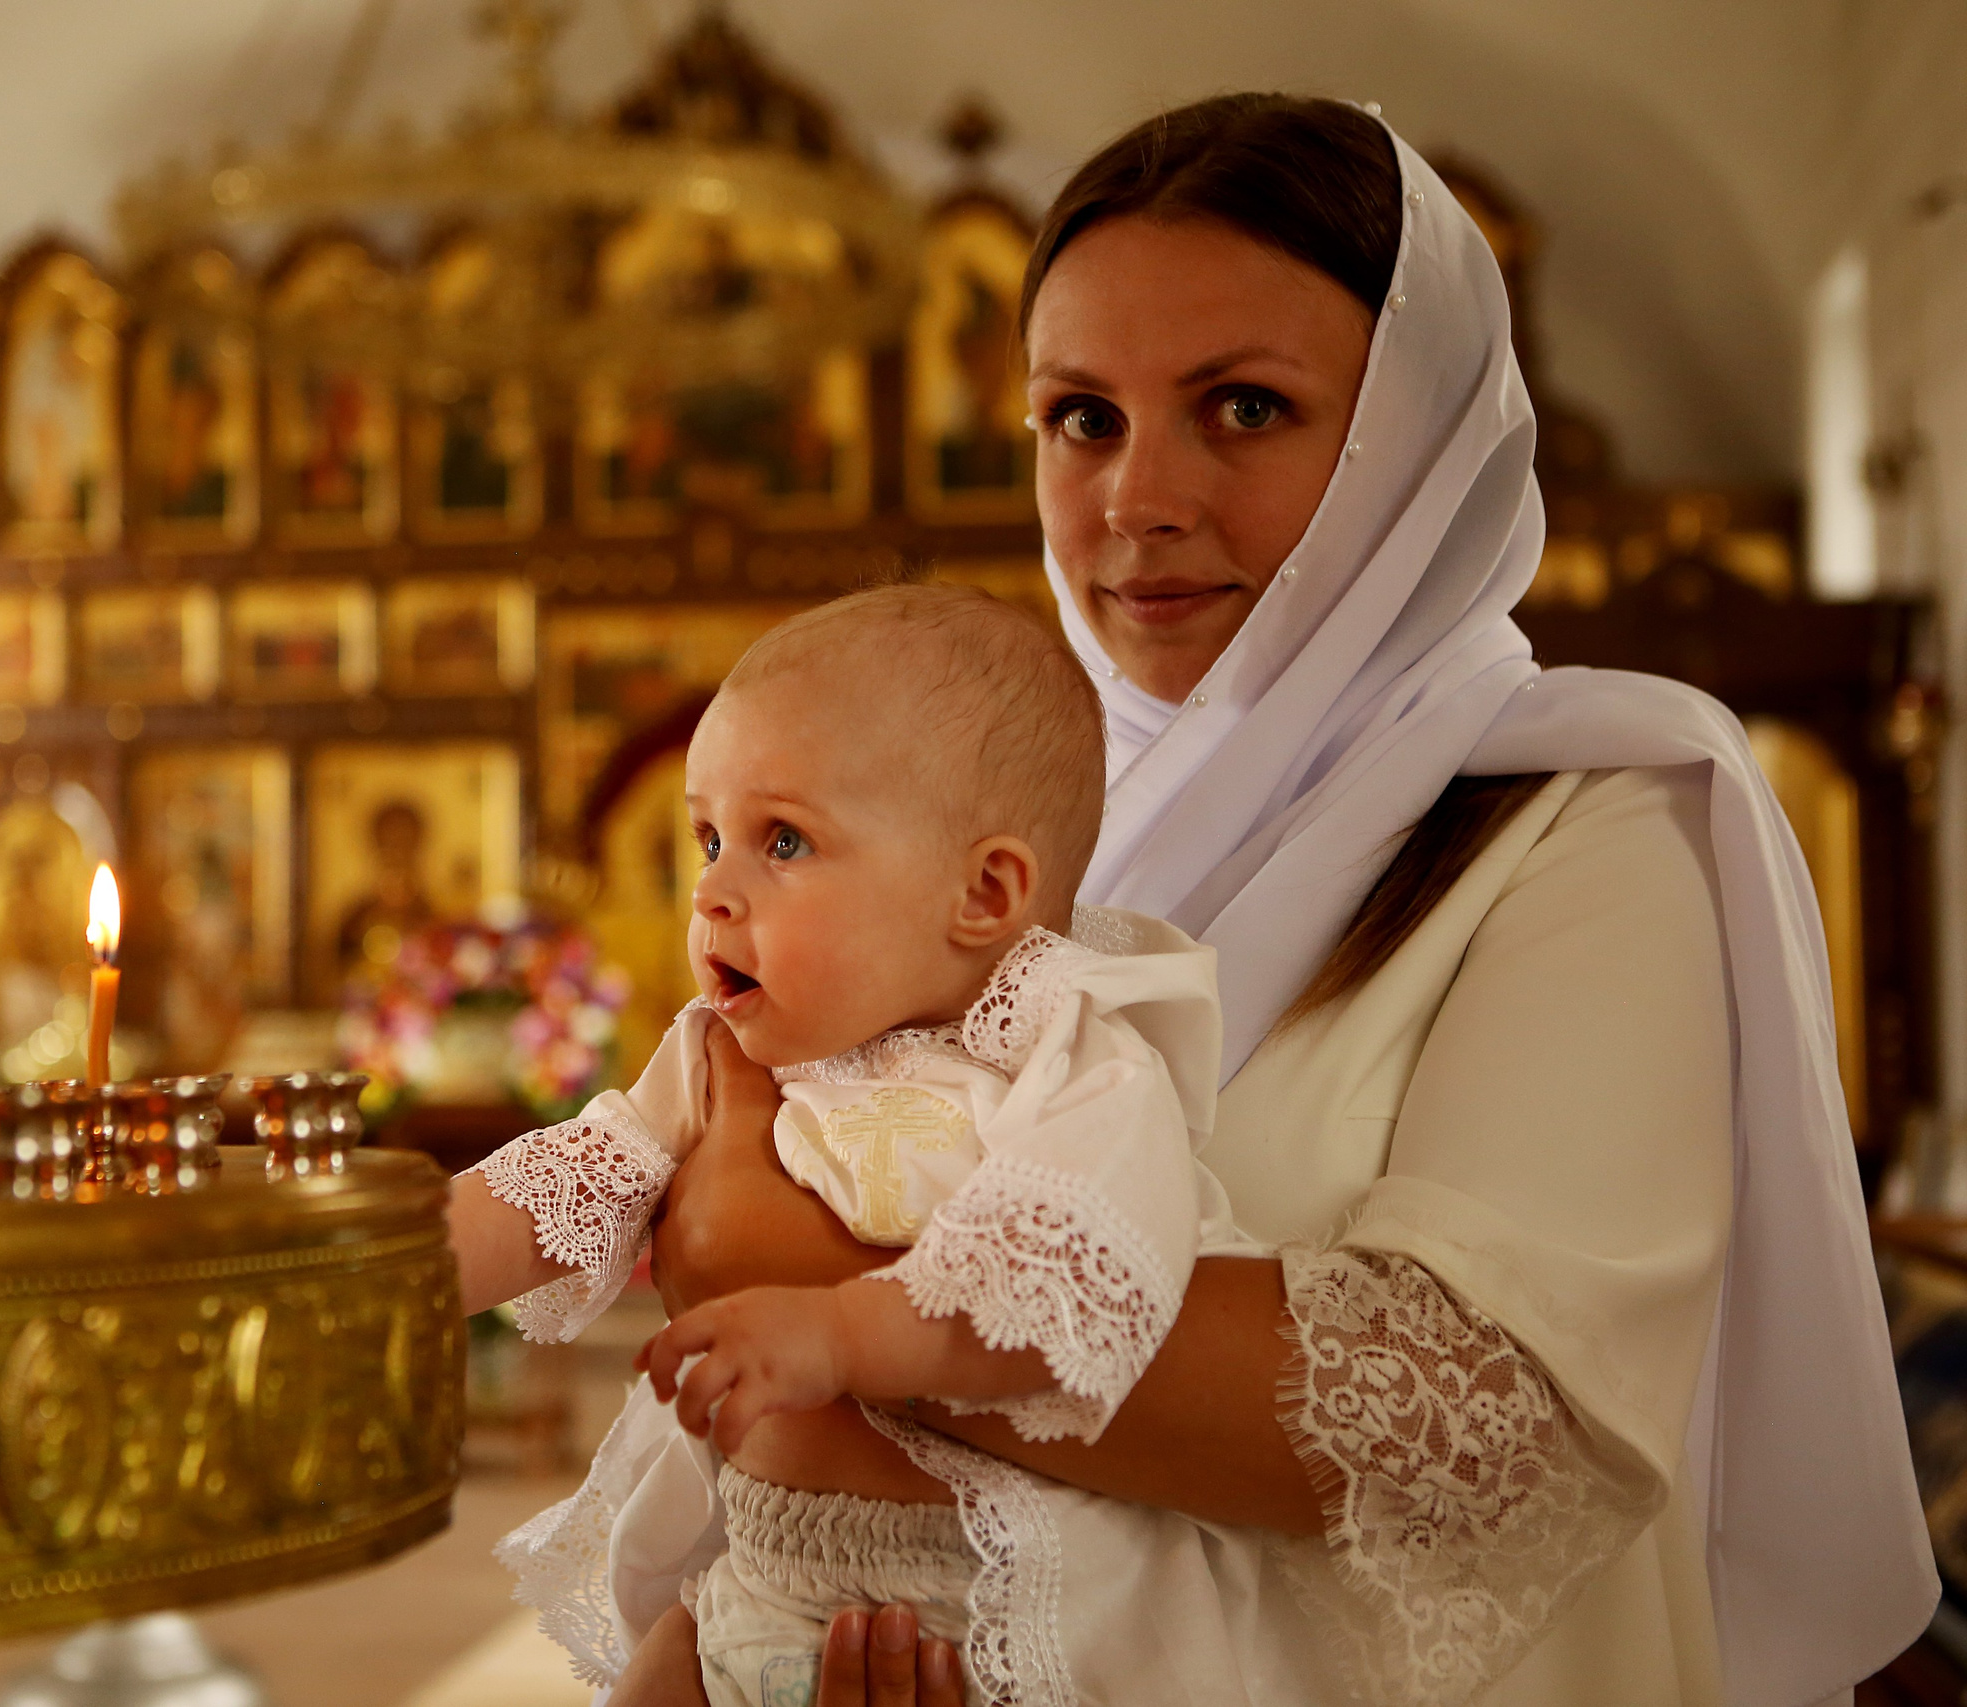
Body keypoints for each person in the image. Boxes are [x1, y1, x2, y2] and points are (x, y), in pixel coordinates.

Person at [616, 94, 1937, 1707]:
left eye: (1243, 406)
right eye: (1081, 417)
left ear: (1419, 439)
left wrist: (803, 1273)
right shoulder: (1011, 846)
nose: (1135, 498)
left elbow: (1474, 1419)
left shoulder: (1590, 831)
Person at [451, 583, 1249, 1705]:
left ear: (983, 891)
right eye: (708, 837)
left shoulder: (1072, 1054)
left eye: (783, 841)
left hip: (995, 1601)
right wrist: (381, 1262)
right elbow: (568, 1179)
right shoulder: (727, 1051)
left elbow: (1072, 1279)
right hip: (765, 1573)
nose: (713, 891)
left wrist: (841, 1327)